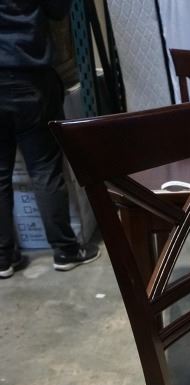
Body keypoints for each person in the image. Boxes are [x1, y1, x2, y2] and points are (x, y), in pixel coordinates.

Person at [0, 0, 100, 279]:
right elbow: (58, 10)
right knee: (44, 168)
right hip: (28, 76)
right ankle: (66, 250)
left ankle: (3, 257)